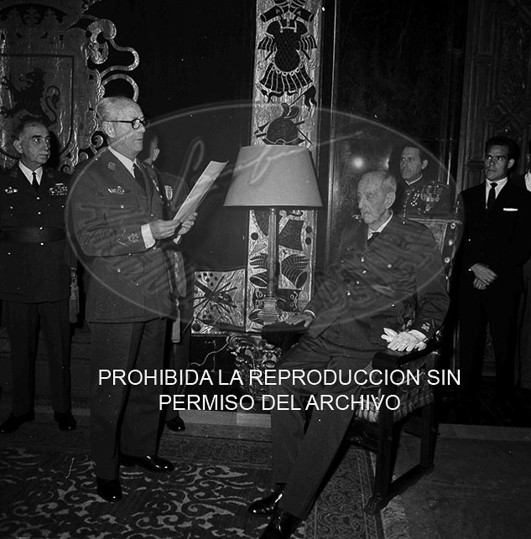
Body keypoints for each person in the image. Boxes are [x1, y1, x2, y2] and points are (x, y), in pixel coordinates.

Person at [249, 170, 449, 539]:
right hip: (327, 334)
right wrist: (310, 312)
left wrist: (418, 333)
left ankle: (291, 509)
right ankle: (285, 486)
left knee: (331, 400)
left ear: (389, 199)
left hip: (368, 345)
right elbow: (332, 282)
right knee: (281, 381)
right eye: (358, 196)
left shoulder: (416, 237)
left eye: (369, 196)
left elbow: (436, 298)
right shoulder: (351, 231)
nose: (360, 204)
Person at [67, 96, 196, 503]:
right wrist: (147, 232)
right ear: (109, 129)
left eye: (143, 120)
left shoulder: (147, 172)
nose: (143, 128)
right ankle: (106, 470)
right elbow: (89, 240)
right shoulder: (89, 176)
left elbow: (155, 233)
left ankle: (138, 450)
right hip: (117, 300)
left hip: (153, 294)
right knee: (111, 393)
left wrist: (175, 229)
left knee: (146, 383)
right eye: (134, 122)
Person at [0, 118, 76, 434]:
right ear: (18, 145)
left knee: (60, 348)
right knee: (20, 349)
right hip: (16, 277)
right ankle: (21, 410)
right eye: (36, 139)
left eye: (47, 140)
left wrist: (72, 271)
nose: (45, 146)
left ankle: (62, 409)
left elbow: (74, 229)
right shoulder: (3, 183)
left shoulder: (64, 182)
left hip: (55, 274)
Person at [456, 135, 531, 400]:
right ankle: (465, 399)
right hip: (470, 281)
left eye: (498, 158)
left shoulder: (523, 199)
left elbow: (523, 245)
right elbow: (457, 240)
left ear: (510, 163)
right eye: (488, 157)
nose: (491, 163)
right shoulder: (467, 197)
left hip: (503, 283)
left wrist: (490, 272)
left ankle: (504, 401)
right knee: (469, 344)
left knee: (504, 346)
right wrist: (474, 267)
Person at [139, 129, 191, 432]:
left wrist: (185, 227)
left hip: (169, 271)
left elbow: (189, 228)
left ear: (155, 152)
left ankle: (170, 410)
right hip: (133, 274)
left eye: (146, 144)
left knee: (171, 346)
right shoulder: (120, 181)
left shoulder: (174, 183)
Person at [396, 143, 452, 218]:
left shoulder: (438, 191)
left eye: (410, 160)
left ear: (423, 164)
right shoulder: (392, 188)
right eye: (402, 159)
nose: (404, 165)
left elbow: (439, 222)